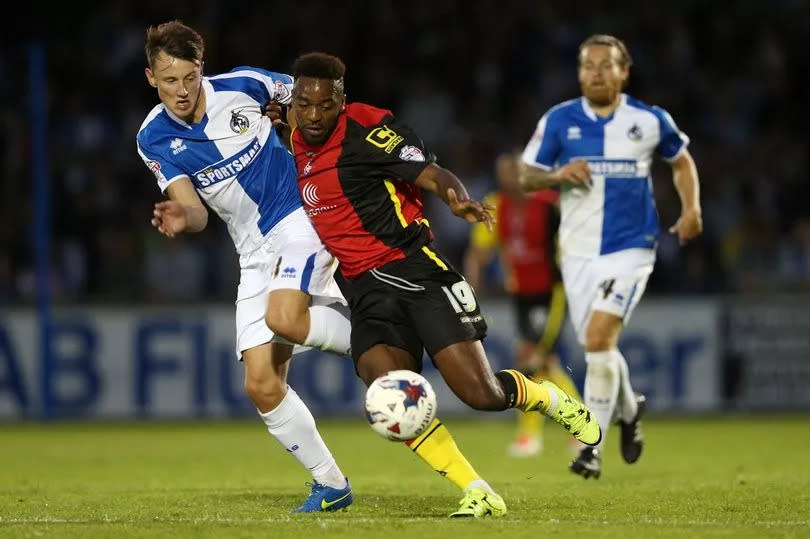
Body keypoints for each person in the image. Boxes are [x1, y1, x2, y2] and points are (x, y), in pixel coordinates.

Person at [278, 51, 601, 517]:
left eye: (323, 105)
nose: (312, 115)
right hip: (364, 291)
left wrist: (457, 198)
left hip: (416, 272)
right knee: (386, 393)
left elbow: (431, 172)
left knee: (480, 395)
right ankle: (477, 489)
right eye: (303, 104)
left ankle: (550, 398)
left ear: (340, 101)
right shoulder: (292, 132)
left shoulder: (368, 128)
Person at [135, 21, 354, 512]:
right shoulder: (153, 138)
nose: (182, 90)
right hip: (252, 252)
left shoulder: (246, 85)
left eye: (190, 77)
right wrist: (181, 216)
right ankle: (332, 484)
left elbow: (318, 101)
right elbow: (193, 209)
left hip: (301, 217)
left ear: (202, 69)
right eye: (170, 81)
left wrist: (293, 118)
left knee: (284, 319)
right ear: (152, 78)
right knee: (261, 382)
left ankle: (387, 343)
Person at [519, 34, 703, 479]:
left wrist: (692, 208)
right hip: (578, 255)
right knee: (599, 349)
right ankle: (629, 410)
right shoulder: (560, 121)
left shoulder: (649, 120)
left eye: (606, 65)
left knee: (599, 339)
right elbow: (526, 175)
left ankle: (591, 447)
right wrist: (558, 173)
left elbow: (681, 160)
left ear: (624, 71)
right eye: (587, 65)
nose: (596, 73)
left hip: (631, 248)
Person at [464, 151, 581, 458]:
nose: (509, 179)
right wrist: (472, 289)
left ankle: (531, 437)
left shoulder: (548, 206)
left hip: (551, 292)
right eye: (504, 173)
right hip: (522, 295)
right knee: (546, 364)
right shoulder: (496, 205)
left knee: (530, 359)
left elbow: (575, 245)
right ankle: (581, 426)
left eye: (515, 172)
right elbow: (478, 250)